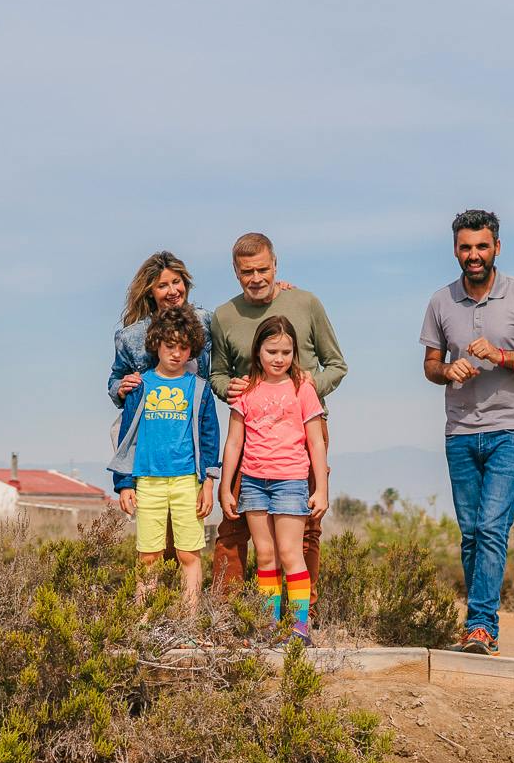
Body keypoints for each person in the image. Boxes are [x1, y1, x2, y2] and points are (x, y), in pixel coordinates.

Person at [419, 209, 514, 656]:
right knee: (471, 535)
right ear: (455, 250)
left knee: (491, 527)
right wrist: (447, 370)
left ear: (497, 247)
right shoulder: (440, 301)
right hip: (460, 432)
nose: (474, 254)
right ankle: (479, 628)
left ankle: (481, 626)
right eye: (466, 247)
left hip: (512, 430)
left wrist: (501, 356)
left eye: (482, 246)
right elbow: (430, 366)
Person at [206, 233, 348, 592]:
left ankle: (303, 613)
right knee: (233, 524)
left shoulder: (305, 303)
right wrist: (228, 387)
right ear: (236, 272)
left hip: (304, 428)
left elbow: (336, 365)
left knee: (306, 528)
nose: (256, 278)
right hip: (249, 429)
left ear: (275, 265)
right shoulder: (224, 316)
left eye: (263, 269)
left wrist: (307, 387)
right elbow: (217, 374)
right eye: (247, 272)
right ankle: (230, 611)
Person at [219, 315, 329, 640]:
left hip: (291, 482)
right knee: (265, 556)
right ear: (258, 351)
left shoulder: (302, 389)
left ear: (294, 353)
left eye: (286, 352)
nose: (279, 359)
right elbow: (234, 442)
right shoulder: (246, 390)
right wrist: (226, 487)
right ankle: (268, 627)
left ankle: (298, 628)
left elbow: (316, 442)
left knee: (291, 554)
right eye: (272, 351)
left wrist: (321, 489)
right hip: (253, 483)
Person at [109, 308, 223, 616]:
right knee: (149, 555)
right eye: (170, 345)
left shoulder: (199, 388)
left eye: (183, 347)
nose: (176, 353)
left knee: (189, 554)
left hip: (187, 480)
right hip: (148, 481)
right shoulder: (140, 386)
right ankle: (144, 621)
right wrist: (125, 484)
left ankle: (189, 620)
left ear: (192, 349)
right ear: (156, 343)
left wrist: (208, 483)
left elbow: (210, 438)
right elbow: (127, 438)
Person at [106, 251, 210, 406]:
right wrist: (120, 387)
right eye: (162, 286)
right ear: (150, 292)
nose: (173, 291)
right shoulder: (130, 337)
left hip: (195, 415)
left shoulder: (205, 321)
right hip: (150, 415)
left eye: (176, 282)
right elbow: (115, 379)